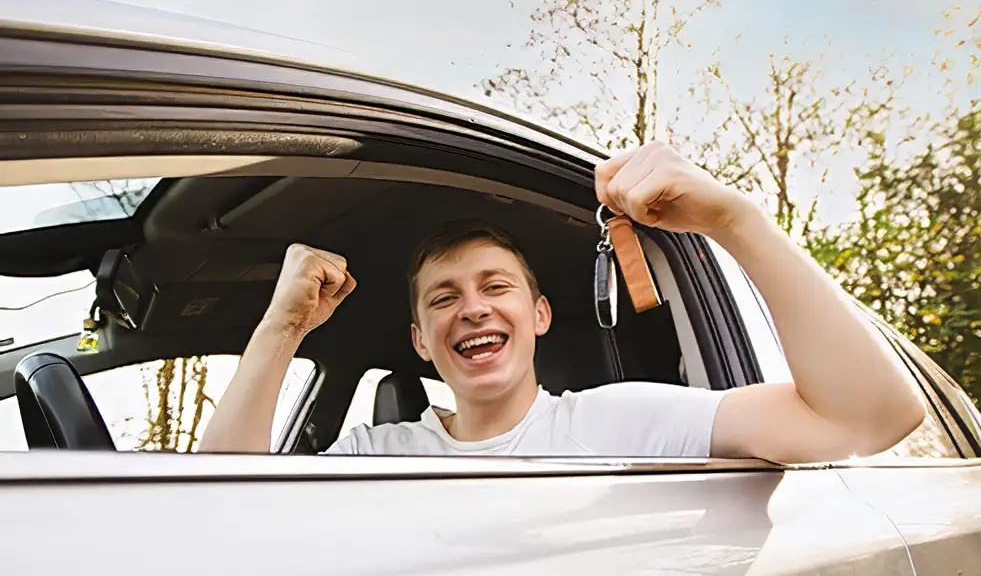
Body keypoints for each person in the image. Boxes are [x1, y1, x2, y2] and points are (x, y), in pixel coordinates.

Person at [199, 141, 925, 463]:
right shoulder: (375, 454)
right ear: (421, 341)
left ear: (539, 316)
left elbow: (870, 418)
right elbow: (221, 519)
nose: (473, 309)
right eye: (444, 299)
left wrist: (735, 221)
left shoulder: (621, 422)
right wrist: (282, 325)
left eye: (496, 287)